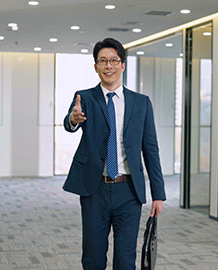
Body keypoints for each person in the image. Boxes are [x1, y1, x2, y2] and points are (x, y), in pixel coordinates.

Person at [63, 37, 166, 270]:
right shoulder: (85, 98)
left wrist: (157, 194)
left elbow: (151, 150)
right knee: (93, 258)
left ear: (123, 65)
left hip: (128, 191)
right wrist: (73, 119)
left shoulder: (141, 103)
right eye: (103, 61)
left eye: (113, 60)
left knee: (125, 260)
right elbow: (70, 123)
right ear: (95, 66)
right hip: (94, 189)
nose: (108, 66)